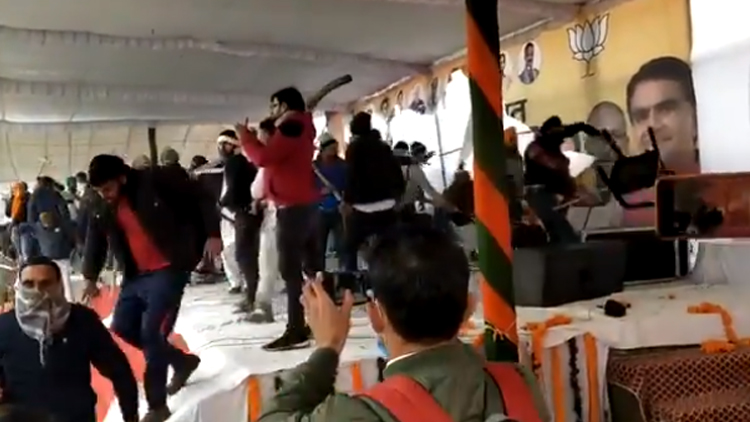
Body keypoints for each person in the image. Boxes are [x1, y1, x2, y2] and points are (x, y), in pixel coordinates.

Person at [255, 226, 548, 422]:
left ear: (375, 314)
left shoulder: (357, 413)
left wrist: (327, 349)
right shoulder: (519, 385)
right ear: (470, 307)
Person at [82, 154, 221, 422]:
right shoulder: (101, 203)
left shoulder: (157, 180)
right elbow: (95, 238)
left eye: (107, 188)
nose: (104, 195)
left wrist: (212, 234)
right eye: (99, 191)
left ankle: (157, 405)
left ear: (122, 178)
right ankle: (181, 361)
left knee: (153, 334)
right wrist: (90, 276)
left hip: (169, 268)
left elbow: (202, 197)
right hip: (136, 275)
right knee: (123, 327)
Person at [0, 256, 138, 422]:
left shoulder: (83, 321)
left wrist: (130, 414)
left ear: (59, 285)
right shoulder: (4, 327)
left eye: (45, 284)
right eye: (29, 284)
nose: (37, 291)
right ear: (20, 287)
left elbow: (118, 369)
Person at [237, 86, 321, 351]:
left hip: (293, 208)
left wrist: (246, 139)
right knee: (304, 269)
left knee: (291, 271)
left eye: (274, 105)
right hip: (301, 206)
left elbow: (264, 158)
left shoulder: (292, 126)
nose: (271, 111)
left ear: (284, 106)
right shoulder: (299, 126)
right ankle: (310, 322)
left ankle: (296, 329)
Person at [340, 113, 404, 273]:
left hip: (363, 207)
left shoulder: (354, 148)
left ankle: (352, 278)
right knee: (391, 246)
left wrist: (347, 200)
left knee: (350, 247)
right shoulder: (383, 147)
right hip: (387, 204)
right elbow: (396, 173)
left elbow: (351, 176)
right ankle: (394, 274)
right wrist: (397, 195)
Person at [524, 116, 599, 244]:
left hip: (553, 193)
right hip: (539, 193)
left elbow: (564, 132)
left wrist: (582, 127)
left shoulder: (548, 145)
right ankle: (570, 246)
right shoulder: (536, 148)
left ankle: (559, 244)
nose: (560, 143)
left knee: (556, 227)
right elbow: (553, 164)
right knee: (559, 225)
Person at [218, 130, 263, 315]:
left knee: (244, 256)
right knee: (249, 255)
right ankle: (252, 295)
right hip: (252, 212)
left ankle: (251, 298)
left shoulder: (234, 163)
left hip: (244, 213)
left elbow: (233, 189)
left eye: (223, 145)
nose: (221, 149)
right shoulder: (245, 162)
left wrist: (222, 203)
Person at [314, 134, 346, 261]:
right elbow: (307, 188)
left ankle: (344, 270)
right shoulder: (314, 167)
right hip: (319, 210)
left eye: (335, 148)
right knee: (318, 247)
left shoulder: (343, 166)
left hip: (339, 210)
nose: (334, 151)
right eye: (331, 148)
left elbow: (349, 185)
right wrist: (320, 192)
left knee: (343, 246)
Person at [4, 182, 29, 260]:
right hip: (17, 226)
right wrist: (10, 200)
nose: (16, 190)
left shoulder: (28, 198)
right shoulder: (14, 199)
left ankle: (23, 261)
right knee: (20, 249)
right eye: (14, 189)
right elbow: (8, 213)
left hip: (25, 226)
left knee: (24, 250)